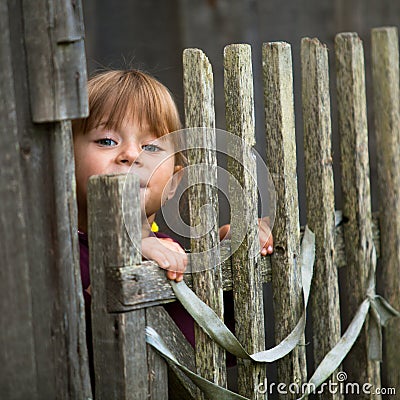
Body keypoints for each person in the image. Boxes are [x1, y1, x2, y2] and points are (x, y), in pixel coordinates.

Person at [72, 69, 273, 375]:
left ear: (174, 182)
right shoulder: (59, 253)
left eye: (150, 147)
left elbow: (210, 350)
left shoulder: (171, 251)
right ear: (64, 162)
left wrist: (230, 264)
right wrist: (127, 255)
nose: (130, 155)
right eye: (107, 140)